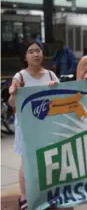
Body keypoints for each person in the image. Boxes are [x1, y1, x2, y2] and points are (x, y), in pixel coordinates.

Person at [8, 41, 59, 210]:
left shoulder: (51, 75)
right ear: (25, 56)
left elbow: (60, 96)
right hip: (27, 124)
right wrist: (14, 92)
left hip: (46, 123)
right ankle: (24, 197)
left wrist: (55, 89)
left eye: (38, 50)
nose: (36, 54)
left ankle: (48, 193)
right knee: (27, 161)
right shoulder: (20, 77)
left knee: (49, 159)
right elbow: (12, 102)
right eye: (31, 51)